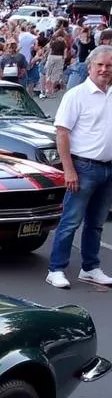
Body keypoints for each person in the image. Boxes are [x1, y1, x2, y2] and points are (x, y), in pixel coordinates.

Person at [45, 46, 112, 290]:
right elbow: (62, 133)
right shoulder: (76, 95)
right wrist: (69, 169)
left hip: (108, 169)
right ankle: (56, 269)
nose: (105, 70)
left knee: (96, 223)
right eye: (100, 65)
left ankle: (90, 268)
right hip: (83, 168)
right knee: (70, 221)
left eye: (109, 66)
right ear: (89, 67)